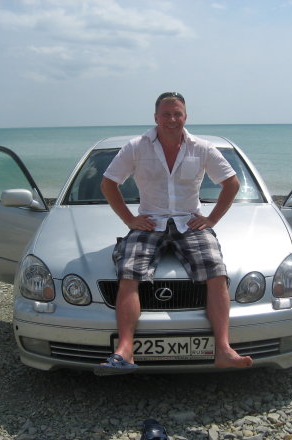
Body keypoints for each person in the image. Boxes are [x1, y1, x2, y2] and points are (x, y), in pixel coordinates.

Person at [96, 92, 253, 375]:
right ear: (156, 117)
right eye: (166, 114)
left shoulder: (202, 148)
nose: (172, 119)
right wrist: (130, 219)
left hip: (188, 222)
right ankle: (125, 350)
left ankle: (223, 350)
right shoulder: (136, 147)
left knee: (216, 271)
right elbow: (108, 183)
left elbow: (231, 183)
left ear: (185, 116)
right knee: (128, 272)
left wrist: (211, 219)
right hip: (150, 222)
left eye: (177, 114)